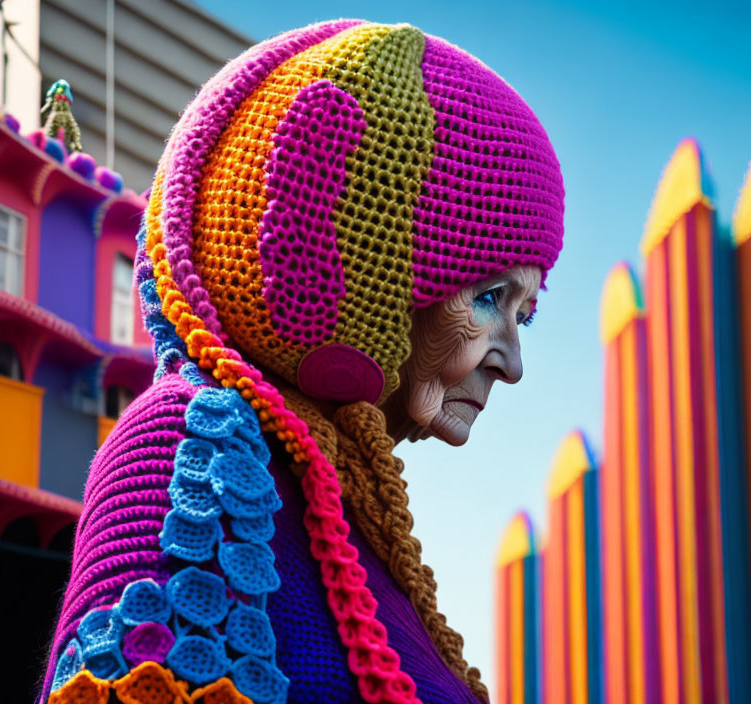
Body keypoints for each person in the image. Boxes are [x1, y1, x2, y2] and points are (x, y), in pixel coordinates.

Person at [41, 19, 564, 704]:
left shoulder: (346, 510)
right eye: (489, 297)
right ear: (351, 267)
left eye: (524, 312)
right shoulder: (190, 443)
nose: (513, 364)